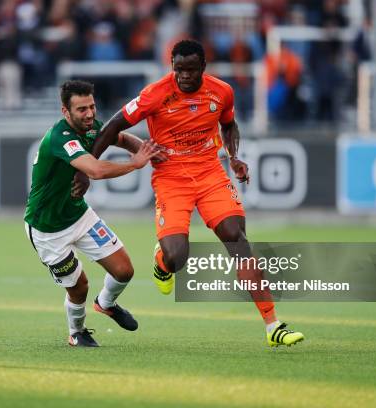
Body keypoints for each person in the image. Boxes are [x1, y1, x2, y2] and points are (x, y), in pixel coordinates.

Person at [80, 39, 304, 347]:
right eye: (179, 70)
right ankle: (162, 262)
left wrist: (234, 156)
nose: (184, 76)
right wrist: (86, 168)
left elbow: (229, 125)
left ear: (203, 68)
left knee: (237, 239)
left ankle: (273, 325)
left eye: (191, 70)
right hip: (171, 178)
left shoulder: (221, 91)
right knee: (176, 257)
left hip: (210, 172)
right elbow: (111, 127)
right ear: (172, 67)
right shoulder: (154, 94)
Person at [24, 80, 159, 347]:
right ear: (66, 112)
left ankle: (106, 303)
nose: (89, 114)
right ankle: (77, 332)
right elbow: (95, 170)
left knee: (124, 270)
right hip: (47, 229)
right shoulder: (59, 138)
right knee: (79, 286)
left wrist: (146, 151)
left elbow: (119, 137)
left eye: (92, 107)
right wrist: (135, 164)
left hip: (79, 216)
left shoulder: (92, 126)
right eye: (81, 109)